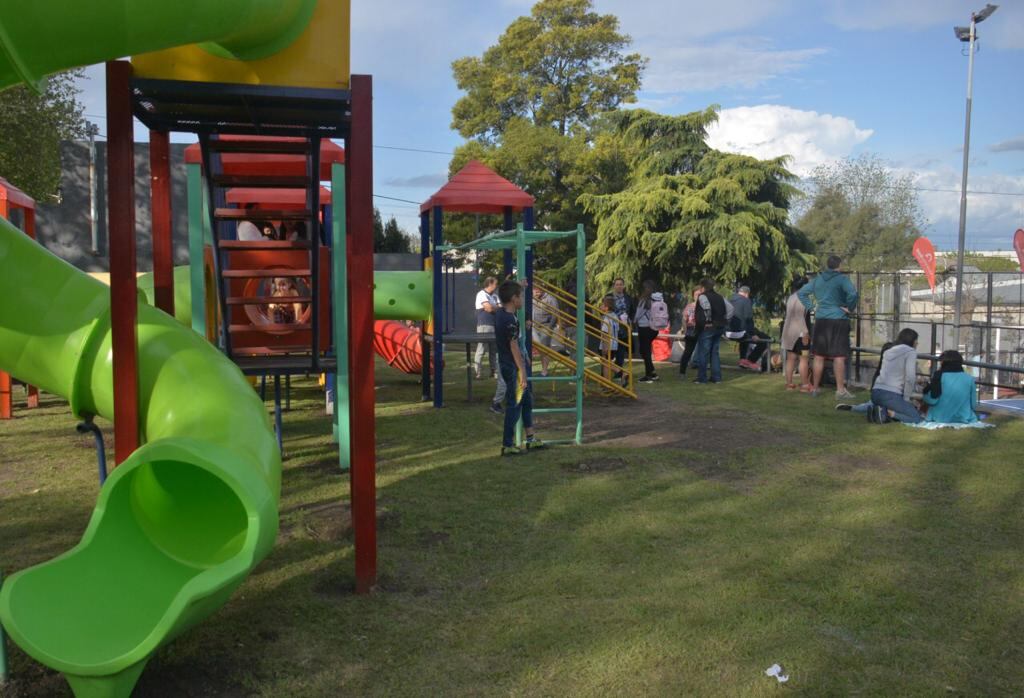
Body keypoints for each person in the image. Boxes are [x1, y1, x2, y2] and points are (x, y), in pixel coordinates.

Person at [798, 255, 859, 399]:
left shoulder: (817, 279)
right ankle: (840, 390)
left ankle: (816, 388)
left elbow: (802, 293)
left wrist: (811, 307)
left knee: (819, 356)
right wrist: (849, 307)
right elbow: (852, 293)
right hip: (838, 319)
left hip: (821, 319)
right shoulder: (842, 279)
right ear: (839, 265)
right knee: (839, 356)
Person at [495, 280, 544, 456]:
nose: (522, 299)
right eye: (521, 296)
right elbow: (514, 347)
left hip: (509, 364)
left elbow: (504, 289)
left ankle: (530, 438)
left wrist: (520, 285)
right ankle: (507, 444)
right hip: (512, 366)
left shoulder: (501, 312)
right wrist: (522, 371)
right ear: (514, 299)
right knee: (514, 404)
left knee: (527, 400)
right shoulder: (509, 320)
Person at [871, 328, 922, 424]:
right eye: (916, 340)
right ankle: (888, 413)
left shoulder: (888, 351)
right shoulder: (910, 352)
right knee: (916, 417)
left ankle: (879, 411)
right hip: (891, 394)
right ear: (912, 340)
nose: (917, 343)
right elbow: (910, 377)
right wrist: (906, 398)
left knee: (896, 405)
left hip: (876, 391)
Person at [922, 350, 979, 424]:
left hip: (940, 417)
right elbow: (973, 405)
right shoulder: (969, 378)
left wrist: (924, 396)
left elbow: (933, 400)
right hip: (964, 417)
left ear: (944, 362)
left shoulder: (939, 375)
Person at [693, 277, 732, 384]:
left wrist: (708, 321)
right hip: (719, 327)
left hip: (708, 328)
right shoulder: (720, 297)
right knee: (714, 353)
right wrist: (725, 320)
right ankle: (716, 377)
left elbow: (706, 308)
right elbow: (731, 309)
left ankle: (702, 378)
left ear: (703, 287)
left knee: (703, 353)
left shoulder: (703, 296)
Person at [781, 277, 812, 391]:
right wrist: (805, 333)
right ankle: (804, 385)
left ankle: (789, 384)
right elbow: (799, 316)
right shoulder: (803, 298)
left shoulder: (791, 297)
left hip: (789, 333)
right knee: (804, 358)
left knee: (791, 358)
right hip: (800, 334)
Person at [633, 280, 662, 383]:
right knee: (646, 351)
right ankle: (651, 373)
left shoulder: (644, 300)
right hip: (654, 328)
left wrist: (633, 321)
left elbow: (638, 314)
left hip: (644, 327)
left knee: (644, 351)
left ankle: (650, 374)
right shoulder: (658, 299)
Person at [610, 278, 635, 382]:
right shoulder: (609, 297)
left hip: (624, 329)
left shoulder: (628, 298)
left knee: (621, 353)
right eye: (617, 284)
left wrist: (630, 321)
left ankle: (618, 375)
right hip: (612, 327)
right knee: (608, 354)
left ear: (624, 286)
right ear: (614, 286)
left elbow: (632, 311)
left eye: (621, 284)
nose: (619, 286)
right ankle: (605, 374)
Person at [531, 284, 559, 377]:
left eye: (538, 291)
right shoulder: (532, 298)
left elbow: (555, 313)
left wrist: (550, 327)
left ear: (542, 290)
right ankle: (543, 369)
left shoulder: (550, 299)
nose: (536, 293)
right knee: (539, 346)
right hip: (534, 325)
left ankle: (544, 371)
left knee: (544, 347)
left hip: (546, 326)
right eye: (534, 291)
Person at [677, 286, 701, 378]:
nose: (697, 296)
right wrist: (685, 329)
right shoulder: (689, 306)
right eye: (696, 294)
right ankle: (682, 372)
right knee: (688, 352)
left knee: (703, 352)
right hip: (691, 330)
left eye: (699, 294)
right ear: (693, 296)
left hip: (702, 330)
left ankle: (701, 374)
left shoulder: (705, 307)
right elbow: (684, 319)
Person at [598, 295, 620, 387]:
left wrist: (605, 347)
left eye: (602, 305)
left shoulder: (606, 318)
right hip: (615, 344)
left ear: (606, 307)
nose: (600, 307)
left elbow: (605, 333)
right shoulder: (615, 316)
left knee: (606, 363)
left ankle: (620, 373)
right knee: (607, 362)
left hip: (607, 344)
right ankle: (607, 382)